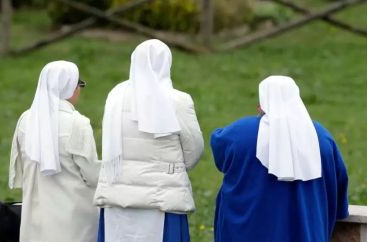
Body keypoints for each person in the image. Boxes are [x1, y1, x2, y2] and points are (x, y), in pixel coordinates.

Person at [211, 76, 349, 242]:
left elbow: (219, 149)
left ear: (262, 103)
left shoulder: (240, 132)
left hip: (248, 230)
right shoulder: (320, 136)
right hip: (304, 229)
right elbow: (339, 179)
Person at [94, 39, 204, 242]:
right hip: (162, 197)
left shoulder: (116, 96)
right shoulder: (178, 100)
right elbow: (194, 149)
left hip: (118, 193)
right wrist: (173, 169)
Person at [10, 61, 101, 242]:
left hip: (34, 215)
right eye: (79, 85)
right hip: (73, 217)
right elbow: (91, 175)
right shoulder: (78, 123)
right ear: (70, 88)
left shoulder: (26, 120)